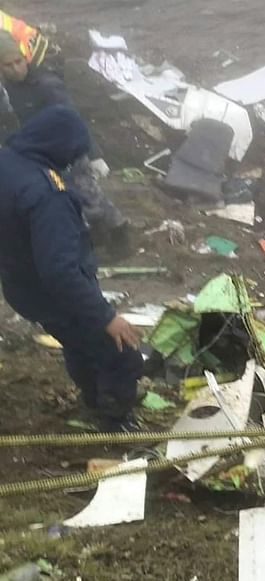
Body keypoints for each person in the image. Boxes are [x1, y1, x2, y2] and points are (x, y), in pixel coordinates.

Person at [0, 105, 143, 431]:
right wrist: (107, 317)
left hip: (21, 285)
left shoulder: (7, 162)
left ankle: (93, 399)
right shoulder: (50, 196)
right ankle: (114, 423)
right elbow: (60, 272)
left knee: (79, 343)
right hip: (51, 291)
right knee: (122, 354)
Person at [0, 31, 127, 249]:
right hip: (33, 155)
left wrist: (93, 154)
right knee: (58, 201)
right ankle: (84, 241)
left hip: (65, 151)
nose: (15, 68)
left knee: (88, 196)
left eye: (18, 62)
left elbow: (73, 118)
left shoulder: (46, 84)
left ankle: (118, 234)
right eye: (7, 65)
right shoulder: (5, 92)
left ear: (25, 58)